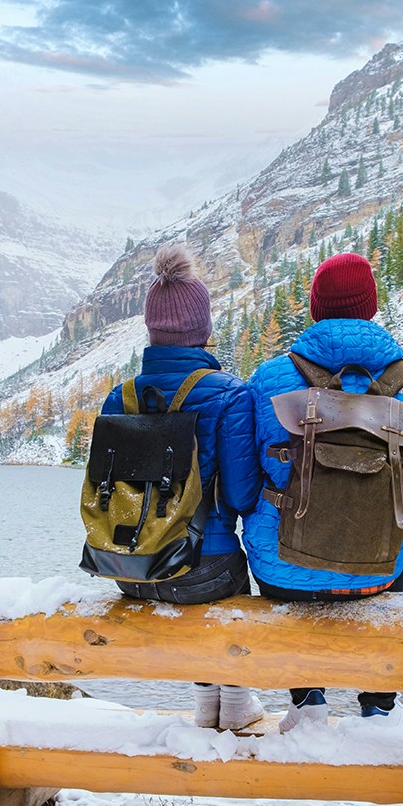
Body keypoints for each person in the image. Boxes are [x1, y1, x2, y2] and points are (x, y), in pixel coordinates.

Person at [242, 252, 403, 731]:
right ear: (370, 307)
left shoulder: (270, 379)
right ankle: (379, 706)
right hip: (376, 571)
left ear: (315, 308)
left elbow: (245, 481)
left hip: (283, 573)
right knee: (396, 563)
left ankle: (308, 702)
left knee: (277, 552)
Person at [96, 247, 265, 731]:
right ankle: (233, 702)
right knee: (223, 576)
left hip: (130, 569)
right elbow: (239, 496)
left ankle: (207, 703)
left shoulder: (119, 396)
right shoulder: (230, 393)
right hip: (201, 571)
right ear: (204, 329)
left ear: (150, 330)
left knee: (196, 582)